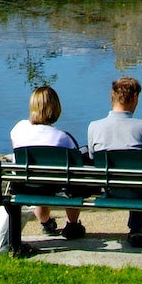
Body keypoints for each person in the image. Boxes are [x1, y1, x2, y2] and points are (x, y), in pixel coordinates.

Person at [86, 75, 142, 248]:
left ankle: (135, 229)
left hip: (110, 187)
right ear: (135, 98)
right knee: (141, 174)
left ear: (112, 97)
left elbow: (92, 157)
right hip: (141, 190)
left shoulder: (94, 126)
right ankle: (136, 229)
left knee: (133, 173)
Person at [9, 85, 85, 239]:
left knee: (37, 178)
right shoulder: (62, 138)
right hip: (54, 184)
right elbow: (76, 166)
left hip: (27, 184)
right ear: (56, 108)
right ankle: (71, 224)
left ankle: (45, 223)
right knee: (74, 182)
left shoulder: (18, 129)